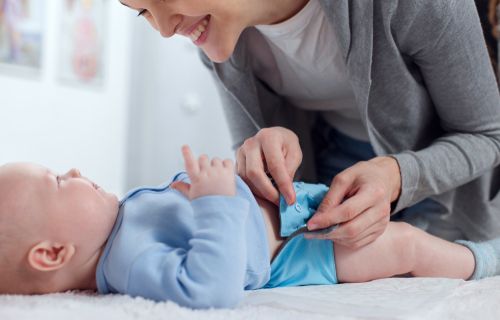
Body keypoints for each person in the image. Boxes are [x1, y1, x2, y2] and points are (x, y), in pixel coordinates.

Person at [119, 0, 500, 249]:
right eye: (142, 11)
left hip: (444, 181)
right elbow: (255, 167)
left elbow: (488, 134)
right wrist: (262, 155)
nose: (165, 29)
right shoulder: (220, 42)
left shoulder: (413, 5)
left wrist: (397, 175)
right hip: (334, 168)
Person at [0, 146, 499, 309]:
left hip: (286, 206)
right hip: (299, 251)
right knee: (406, 246)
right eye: (59, 184)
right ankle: (483, 261)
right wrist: (215, 202)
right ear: (52, 254)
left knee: (390, 213)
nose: (74, 174)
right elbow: (211, 288)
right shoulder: (127, 266)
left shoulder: (118, 224)